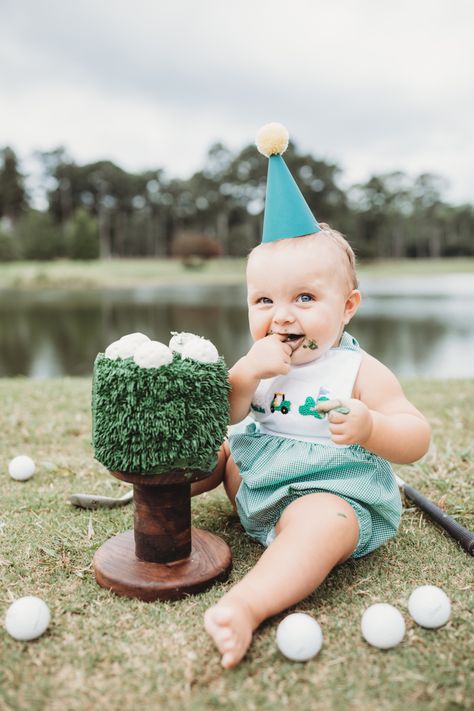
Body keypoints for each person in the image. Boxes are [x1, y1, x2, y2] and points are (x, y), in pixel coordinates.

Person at [192, 124, 431, 669]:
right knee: (207, 451)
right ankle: (155, 511)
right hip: (254, 485)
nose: (282, 315)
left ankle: (247, 604)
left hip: (328, 493)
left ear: (347, 306)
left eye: (304, 297)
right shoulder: (259, 360)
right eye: (264, 299)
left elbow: (415, 435)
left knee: (322, 523)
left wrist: (371, 425)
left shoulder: (355, 368)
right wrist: (246, 374)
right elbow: (224, 415)